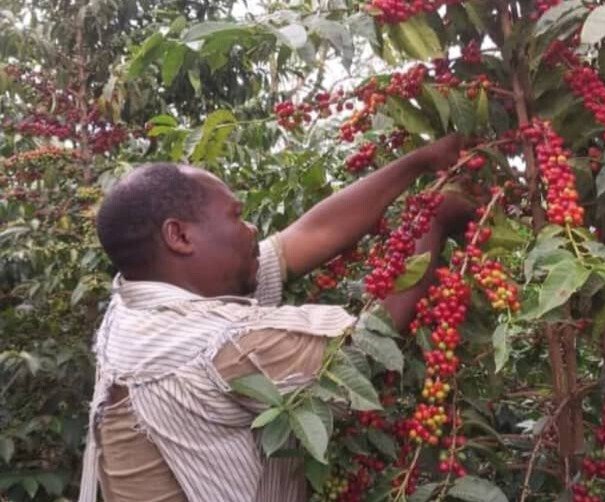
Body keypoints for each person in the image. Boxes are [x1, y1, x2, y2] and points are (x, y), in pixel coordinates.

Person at [78, 135, 473, 502]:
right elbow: (368, 346)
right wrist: (434, 223)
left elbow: (310, 235)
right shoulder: (220, 348)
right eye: (236, 216)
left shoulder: (137, 305)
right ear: (179, 237)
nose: (251, 228)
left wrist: (420, 162)